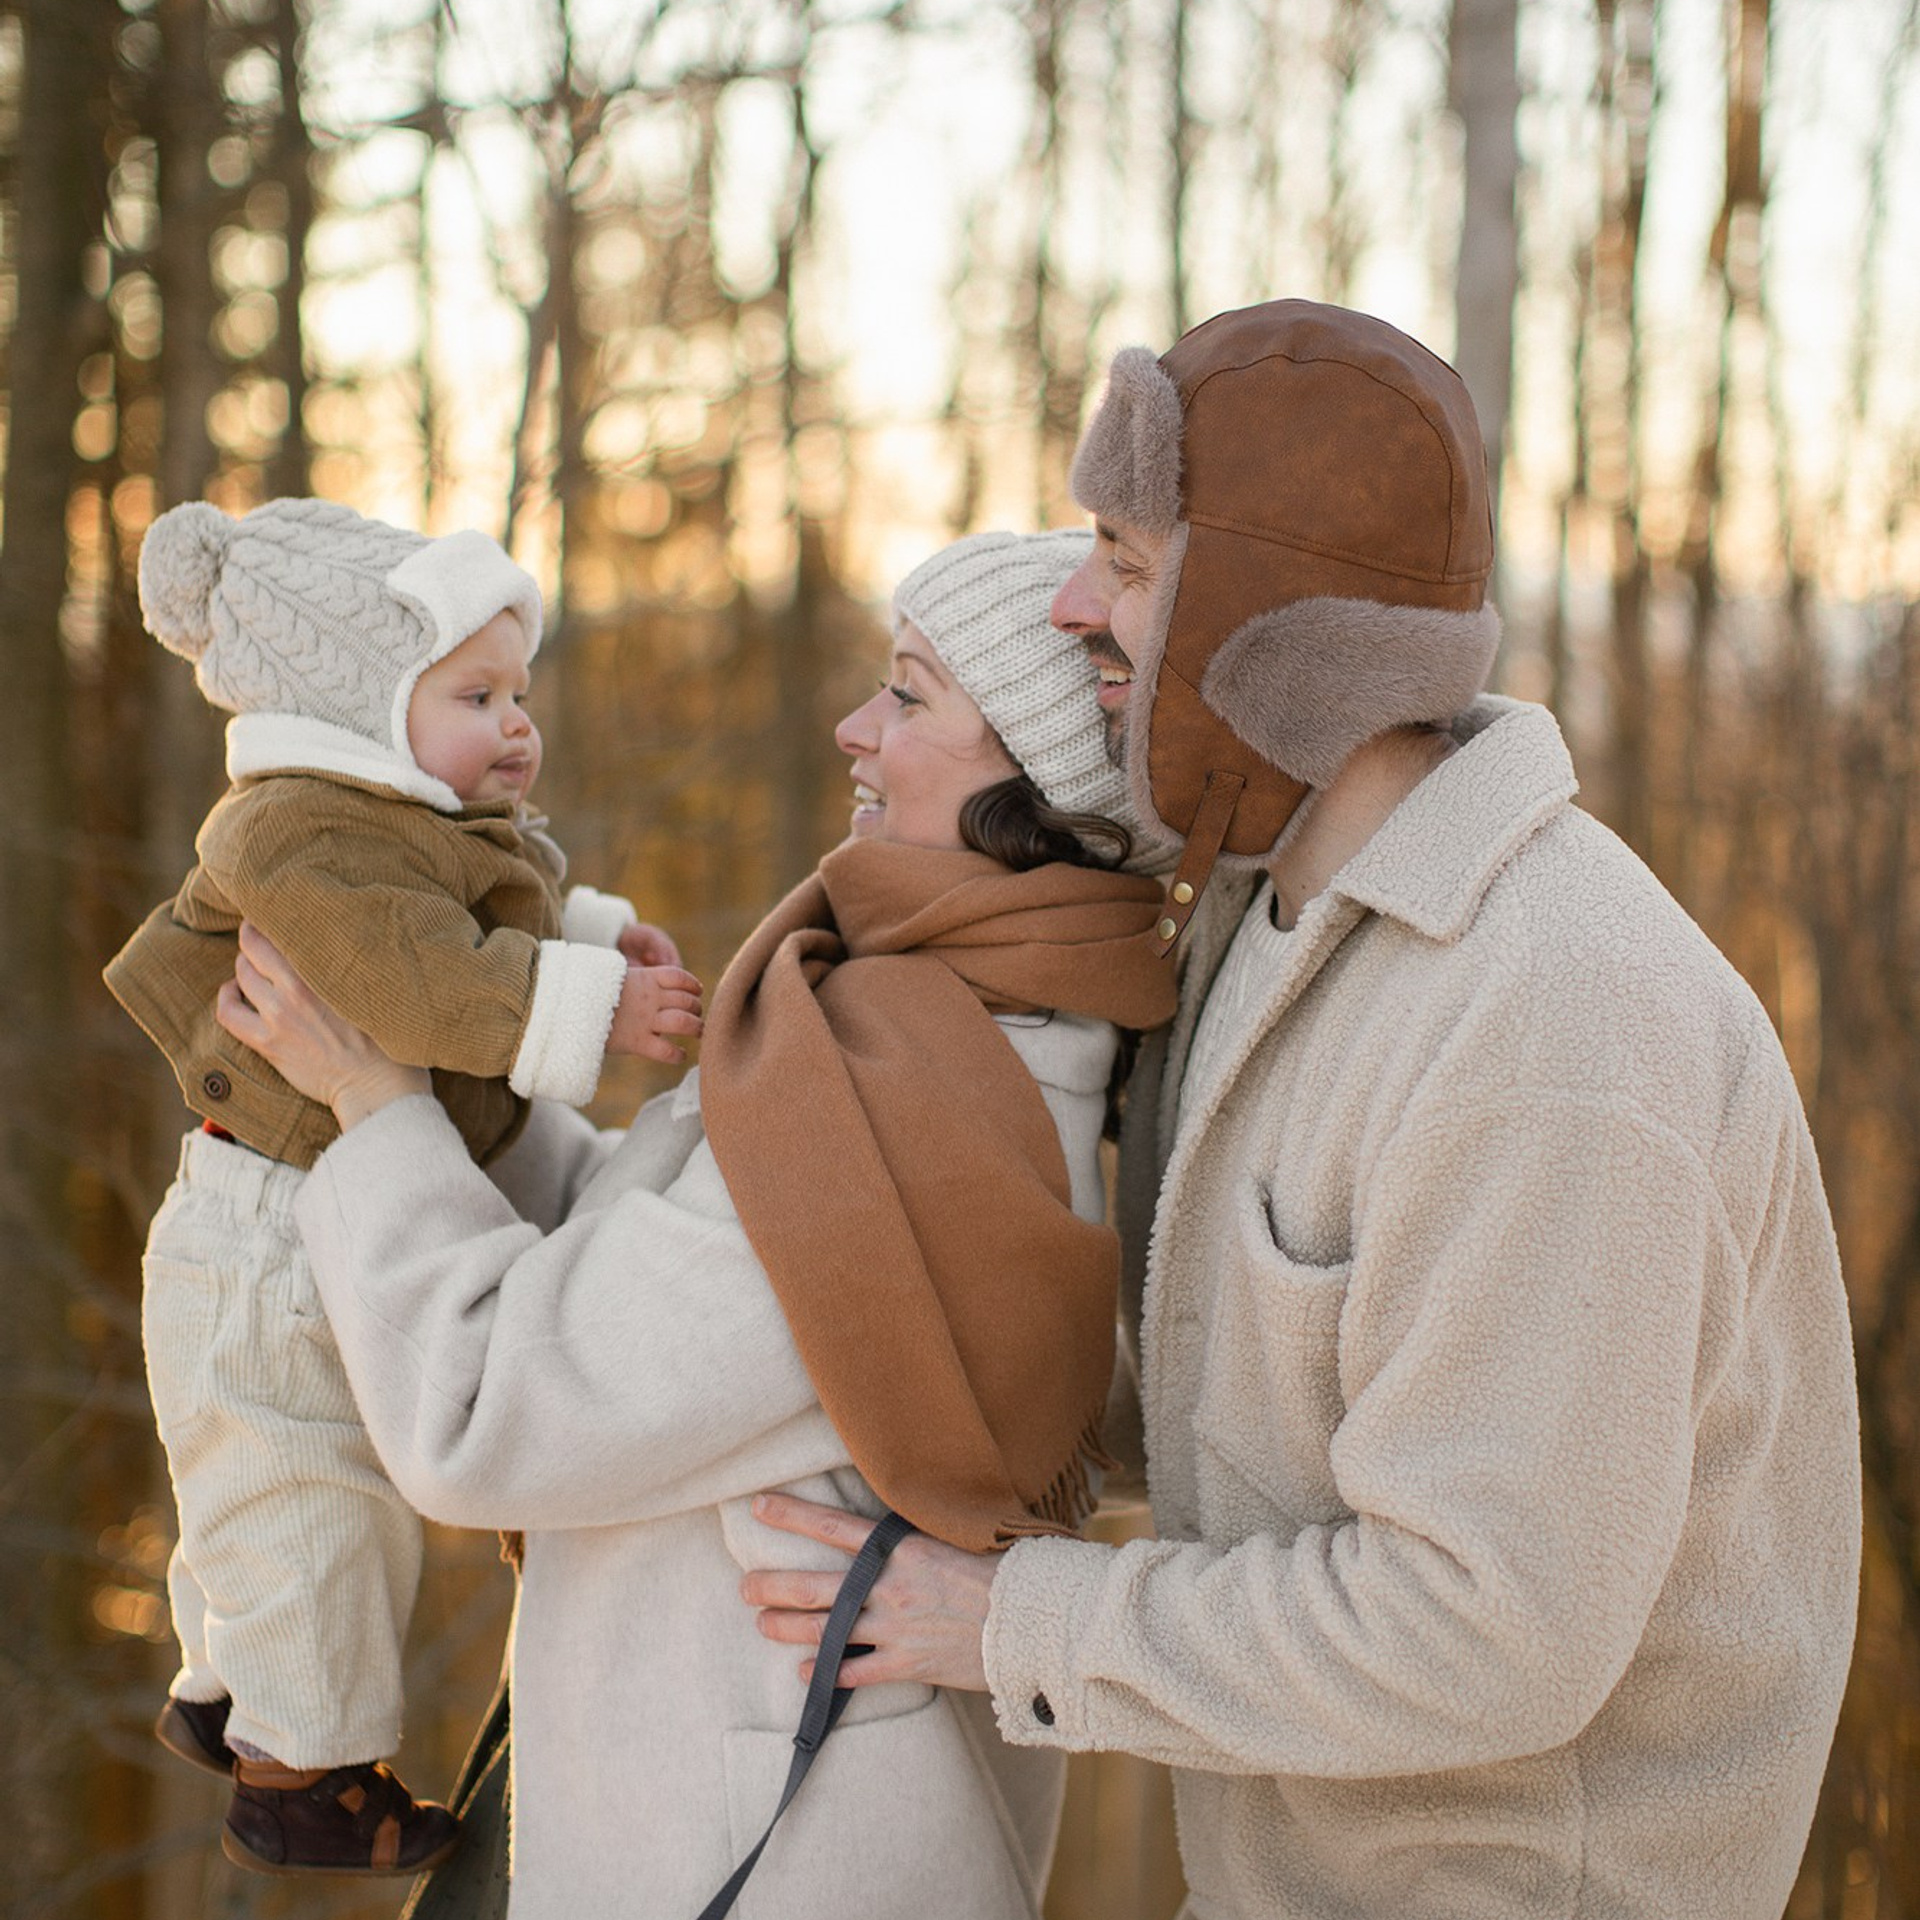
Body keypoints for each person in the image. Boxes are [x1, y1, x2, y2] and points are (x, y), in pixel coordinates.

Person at [742, 299, 1864, 1920]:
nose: (1075, 608)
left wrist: (1015, 1623)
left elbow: (1489, 1628)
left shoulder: (1551, 1022)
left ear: (1259, 620)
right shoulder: (1263, 918)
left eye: (1126, 563)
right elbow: (1222, 1393)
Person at [212, 529, 1180, 1918]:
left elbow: (490, 1408)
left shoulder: (905, 1109)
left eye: (908, 696)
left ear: (1035, 783)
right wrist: (474, 1092)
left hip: (754, 1859)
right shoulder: (968, 1033)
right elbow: (673, 1286)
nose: (856, 724)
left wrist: (376, 1097)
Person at [104, 498, 702, 1877]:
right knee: (308, 1492)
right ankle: (305, 1778)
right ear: (354, 709)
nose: (518, 725)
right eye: (476, 694)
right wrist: (592, 1007)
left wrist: (598, 932)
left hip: (315, 1202)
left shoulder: (405, 815)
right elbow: (423, 979)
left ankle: (233, 1700)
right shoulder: (298, 835)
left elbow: (492, 909)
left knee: (279, 1477)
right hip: (265, 1231)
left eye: (520, 692)